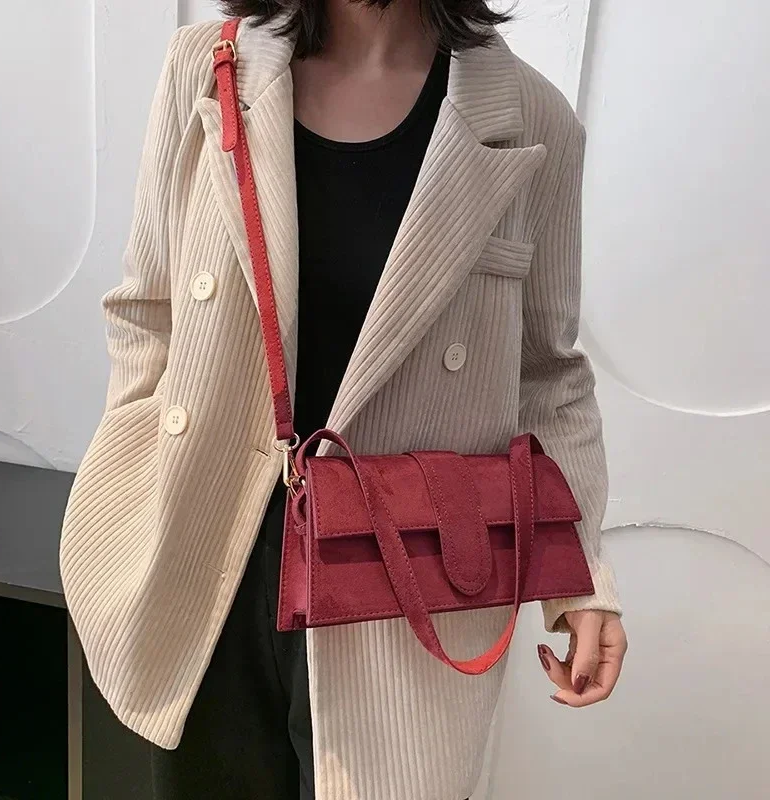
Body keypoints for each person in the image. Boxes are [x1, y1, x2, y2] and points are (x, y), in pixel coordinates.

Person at [59, 0, 628, 798]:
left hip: (397, 580)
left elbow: (548, 378)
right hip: (205, 544)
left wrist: (582, 578)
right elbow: (147, 310)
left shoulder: (532, 120)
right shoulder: (208, 68)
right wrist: (129, 478)